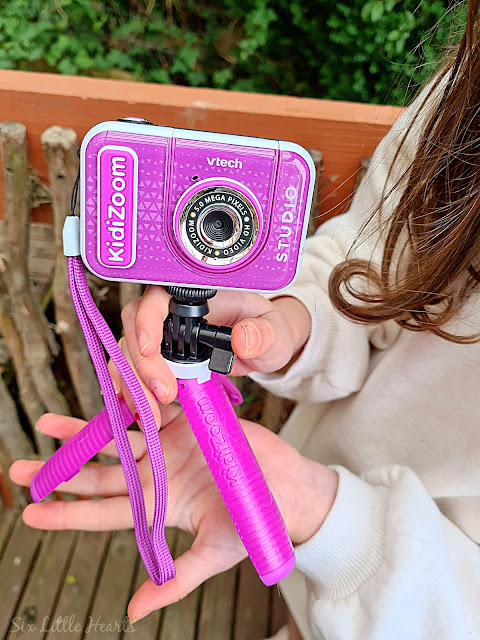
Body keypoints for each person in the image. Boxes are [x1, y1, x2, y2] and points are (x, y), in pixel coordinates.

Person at [10, 1, 480, 637]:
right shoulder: (467, 93)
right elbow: (374, 264)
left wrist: (324, 517)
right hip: (300, 552)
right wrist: (290, 324)